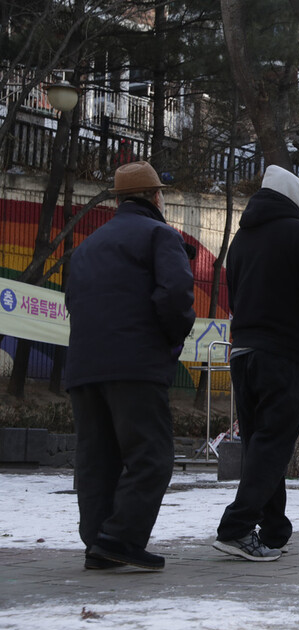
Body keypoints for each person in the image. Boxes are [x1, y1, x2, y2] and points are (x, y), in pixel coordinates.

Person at [65, 160, 196, 570]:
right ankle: (120, 538)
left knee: (97, 459)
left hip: (84, 369)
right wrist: (170, 343)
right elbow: (175, 296)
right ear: (155, 197)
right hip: (136, 366)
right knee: (151, 456)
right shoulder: (160, 235)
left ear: (120, 199)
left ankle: (98, 543)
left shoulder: (87, 246)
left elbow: (73, 303)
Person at [213, 165, 299, 561]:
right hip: (284, 356)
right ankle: (236, 528)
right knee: (274, 444)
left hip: (244, 352)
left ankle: (273, 529)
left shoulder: (241, 240)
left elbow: (233, 298)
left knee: (261, 444)